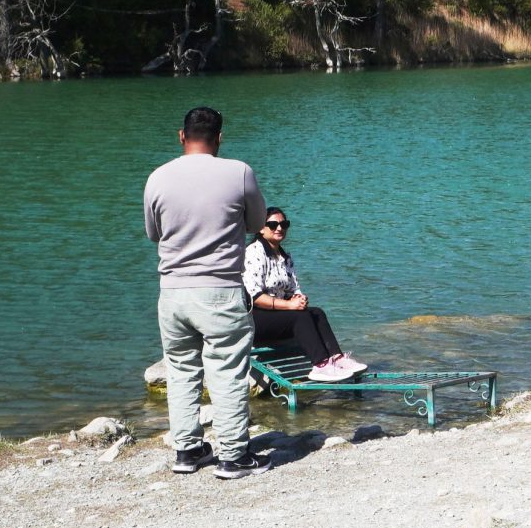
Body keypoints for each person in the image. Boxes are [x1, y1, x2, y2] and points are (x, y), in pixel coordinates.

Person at [144, 105, 268, 479]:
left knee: (181, 370)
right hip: (220, 290)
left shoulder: (157, 177)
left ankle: (188, 451)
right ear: (219, 138)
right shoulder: (239, 172)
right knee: (227, 372)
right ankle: (233, 456)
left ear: (182, 136)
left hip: (173, 293)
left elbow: (153, 233)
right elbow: (257, 223)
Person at [243, 208, 367, 382]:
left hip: (277, 314)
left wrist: (299, 299)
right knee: (299, 318)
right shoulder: (253, 252)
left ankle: (337, 359)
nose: (279, 228)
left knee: (316, 313)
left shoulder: (284, 257)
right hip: (253, 319)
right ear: (261, 229)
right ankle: (320, 365)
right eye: (273, 224)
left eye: (284, 224)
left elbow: (294, 289)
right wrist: (289, 305)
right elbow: (254, 297)